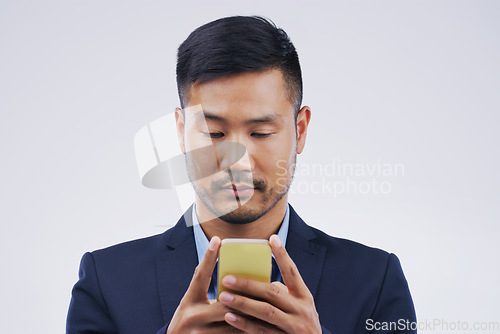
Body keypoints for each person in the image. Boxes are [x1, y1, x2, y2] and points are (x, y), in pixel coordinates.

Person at [66, 16, 417, 334]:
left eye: (261, 133)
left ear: (301, 129)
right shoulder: (106, 281)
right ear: (180, 130)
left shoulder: (375, 281)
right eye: (214, 134)